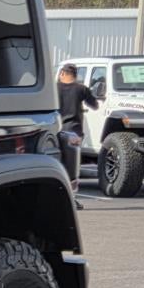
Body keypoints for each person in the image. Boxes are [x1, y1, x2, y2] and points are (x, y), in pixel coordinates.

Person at [56, 64, 97, 208]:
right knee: (72, 167)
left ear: (62, 73)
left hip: (56, 130)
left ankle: (56, 198)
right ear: (75, 74)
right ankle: (71, 199)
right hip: (74, 132)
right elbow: (95, 105)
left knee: (57, 163)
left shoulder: (54, 88)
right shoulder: (81, 89)